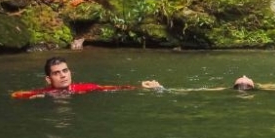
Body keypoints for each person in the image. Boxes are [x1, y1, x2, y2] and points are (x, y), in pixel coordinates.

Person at [11, 56, 164, 99]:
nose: (63, 75)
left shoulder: (83, 87)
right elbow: (15, 94)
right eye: (57, 73)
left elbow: (112, 88)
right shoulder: (44, 92)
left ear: (70, 72)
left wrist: (141, 87)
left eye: (65, 70)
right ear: (48, 79)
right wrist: (42, 96)